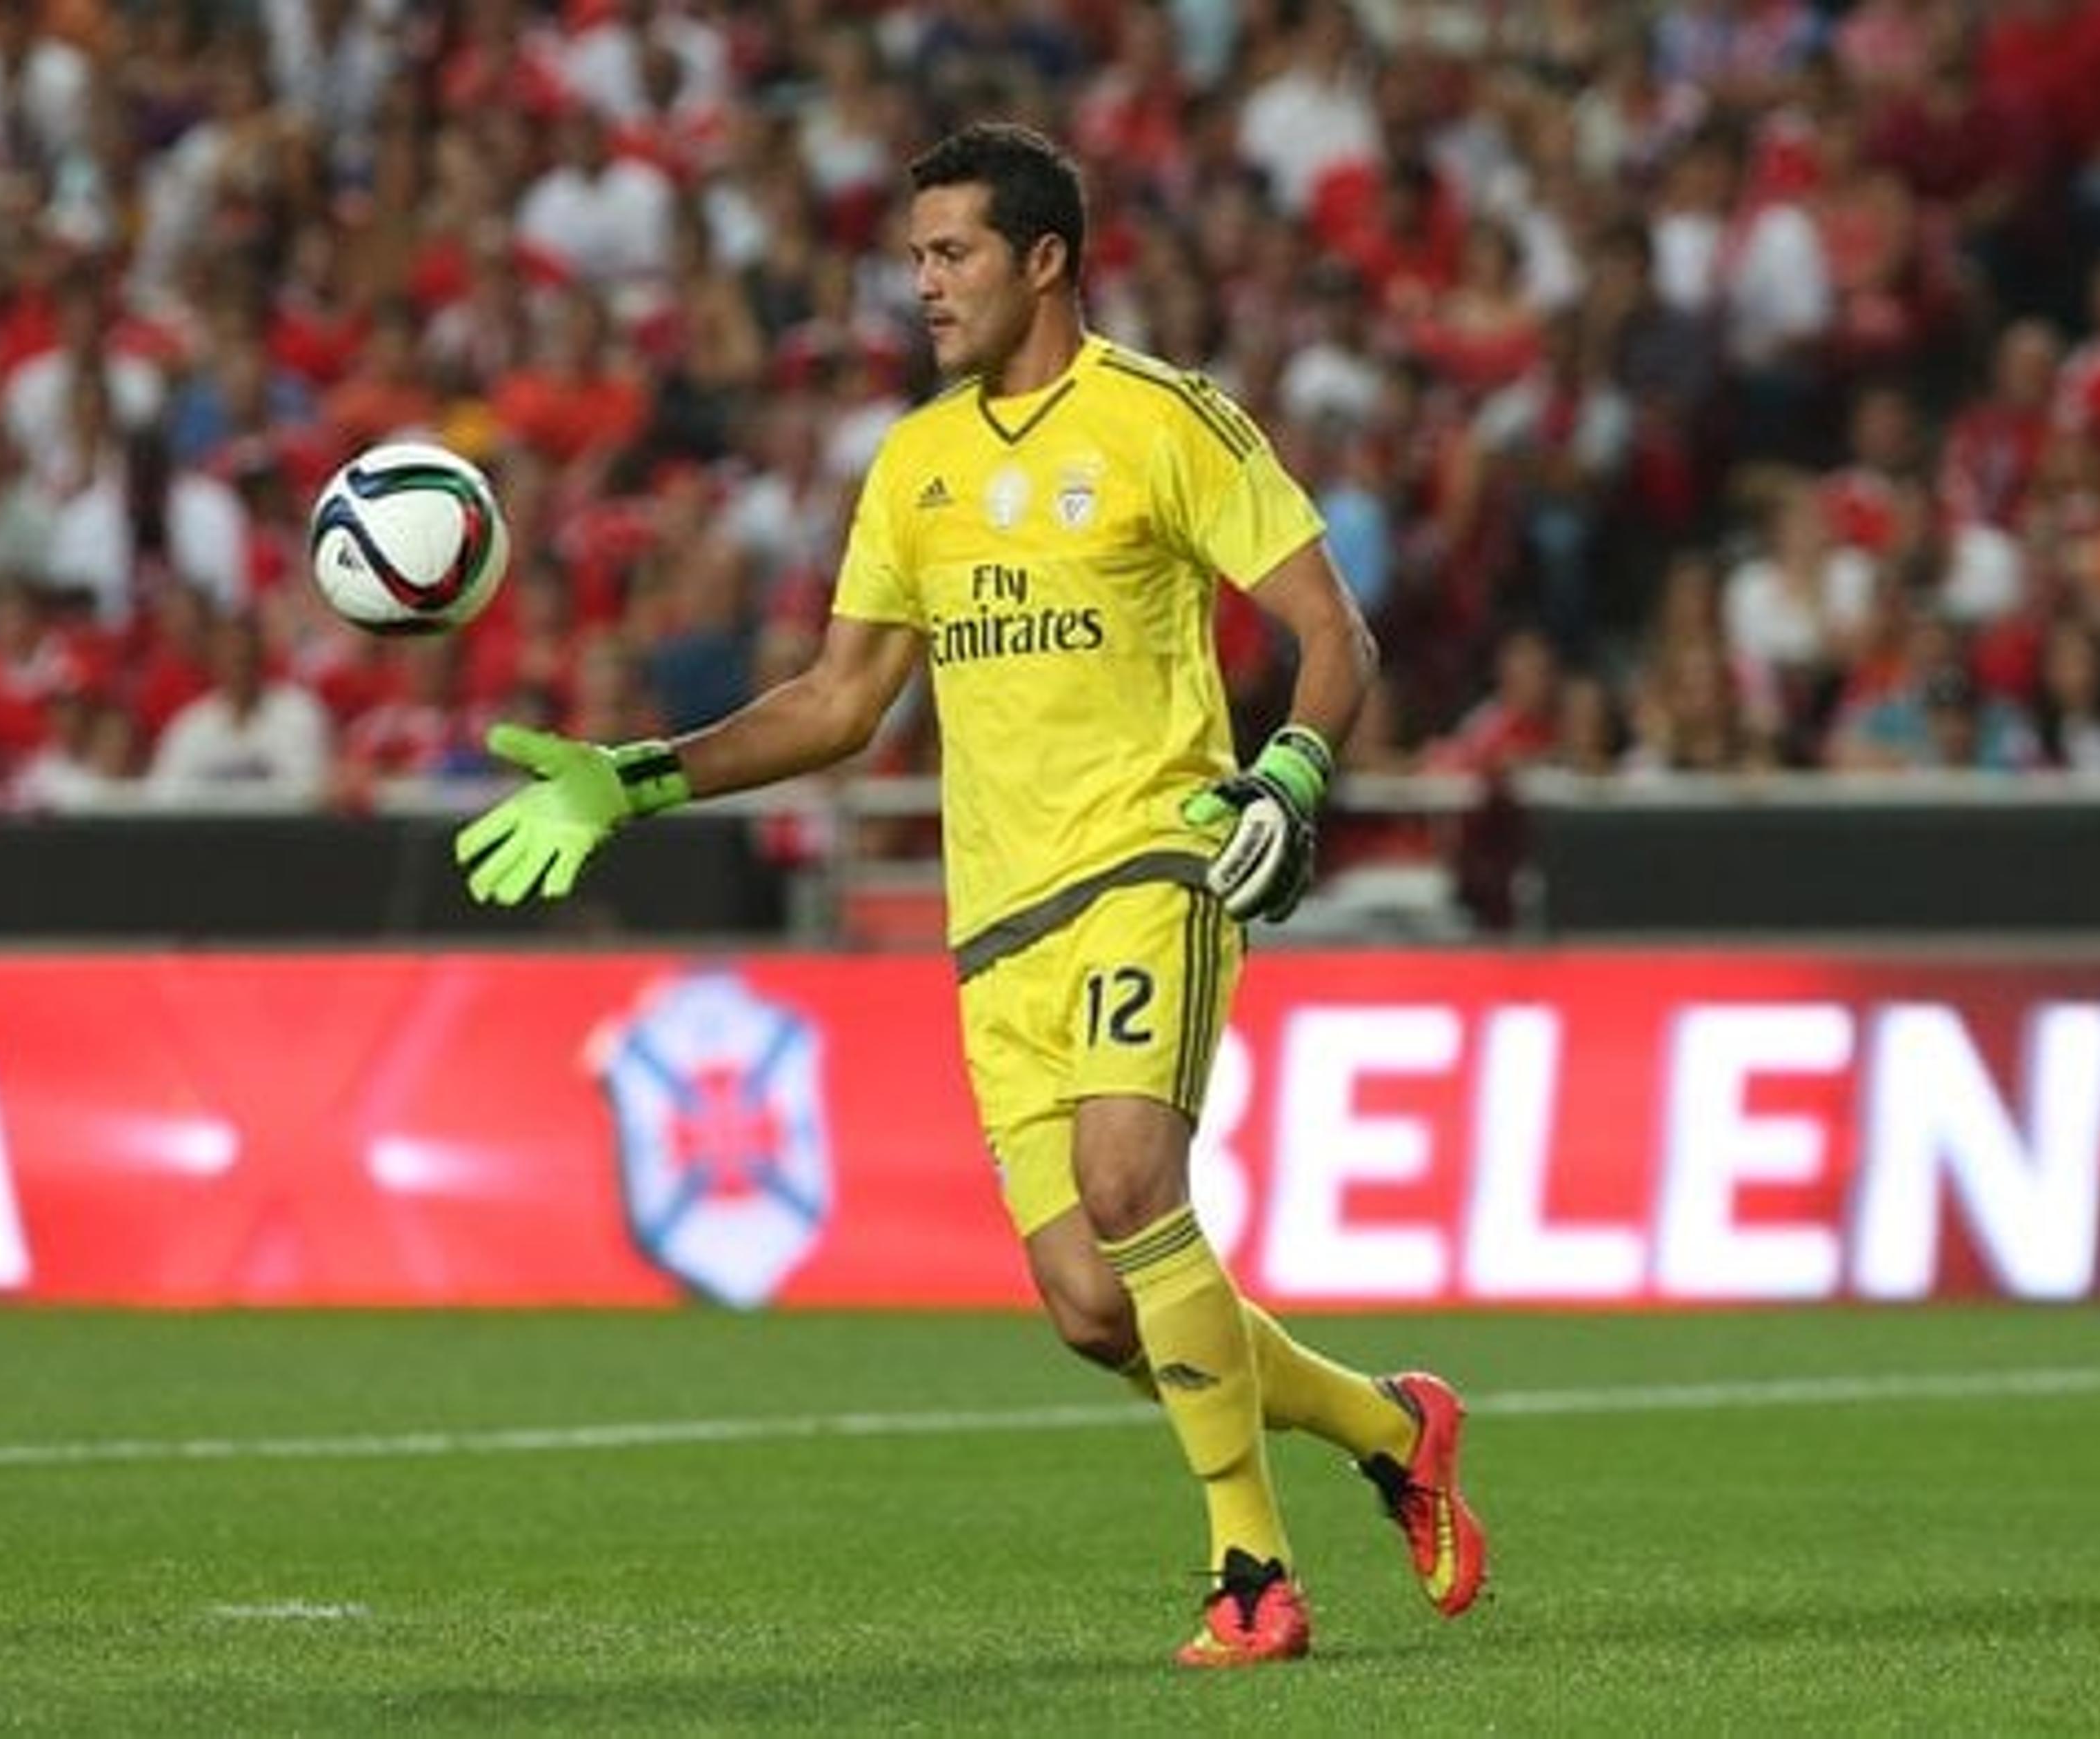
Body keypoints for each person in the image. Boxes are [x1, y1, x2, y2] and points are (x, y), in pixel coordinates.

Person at [450, 121, 1483, 1668]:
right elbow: (839, 700)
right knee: (1088, 1304)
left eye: (953, 254)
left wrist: (1292, 774)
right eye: (916, 257)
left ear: (1045, 257)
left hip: (1153, 858)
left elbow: (1333, 632)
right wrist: (636, 777)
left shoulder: (1165, 422)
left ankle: (1250, 1574)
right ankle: (1391, 1426)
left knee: (1135, 1191)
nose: (923, 287)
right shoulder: (917, 463)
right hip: (995, 924)